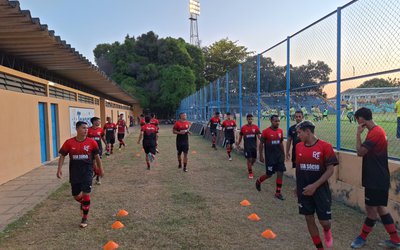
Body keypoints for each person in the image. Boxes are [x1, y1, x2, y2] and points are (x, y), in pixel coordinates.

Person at [350, 107, 400, 249]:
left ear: (361, 119)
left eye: (356, 119)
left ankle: (362, 238)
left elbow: (360, 152)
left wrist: (358, 134)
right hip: (377, 177)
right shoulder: (376, 131)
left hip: (376, 179)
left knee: (371, 210)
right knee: (380, 208)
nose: (357, 122)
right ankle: (396, 240)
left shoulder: (375, 133)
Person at [295, 120, 338, 250]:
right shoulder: (298, 147)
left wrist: (314, 186)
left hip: (320, 190)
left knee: (324, 222)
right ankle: (320, 247)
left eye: (299, 132)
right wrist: (297, 186)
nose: (298, 136)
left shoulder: (325, 146)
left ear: (308, 132)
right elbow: (299, 168)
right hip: (304, 190)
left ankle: (326, 231)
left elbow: (330, 170)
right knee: (309, 218)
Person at [57, 121, 104, 228]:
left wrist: (100, 169)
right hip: (75, 173)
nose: (86, 130)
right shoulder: (69, 142)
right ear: (77, 129)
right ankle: (84, 204)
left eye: (87, 128)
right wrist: (59, 169)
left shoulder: (92, 142)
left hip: (87, 171)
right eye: (83, 128)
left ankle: (84, 218)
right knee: (76, 195)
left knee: (86, 193)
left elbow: (97, 157)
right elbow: (62, 155)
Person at [257, 115, 286, 200]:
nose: (277, 123)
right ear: (271, 121)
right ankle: (259, 181)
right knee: (269, 175)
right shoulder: (265, 132)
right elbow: (261, 144)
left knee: (280, 173)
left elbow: (280, 143)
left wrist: (283, 153)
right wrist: (261, 155)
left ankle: (278, 193)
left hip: (279, 157)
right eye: (275, 121)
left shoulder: (280, 131)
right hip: (270, 158)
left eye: (278, 121)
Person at [236, 114, 261, 179]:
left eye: (251, 119)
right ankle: (250, 173)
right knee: (249, 159)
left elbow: (259, 136)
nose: (250, 120)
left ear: (252, 119)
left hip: (254, 147)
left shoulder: (255, 127)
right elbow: (240, 137)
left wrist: (263, 141)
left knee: (254, 159)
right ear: (247, 119)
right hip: (247, 147)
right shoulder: (243, 128)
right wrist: (238, 144)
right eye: (249, 119)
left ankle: (250, 165)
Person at [88, 117, 106, 185]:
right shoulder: (88, 130)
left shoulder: (100, 130)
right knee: (92, 164)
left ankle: (98, 178)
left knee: (98, 163)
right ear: (94, 122)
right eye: (98, 121)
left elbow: (103, 137)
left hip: (99, 149)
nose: (99, 122)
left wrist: (106, 144)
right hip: (90, 149)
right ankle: (96, 173)